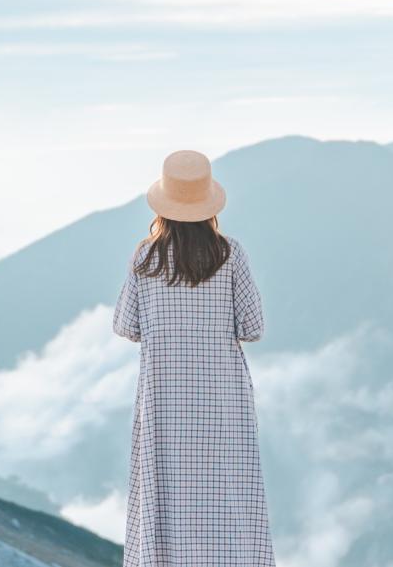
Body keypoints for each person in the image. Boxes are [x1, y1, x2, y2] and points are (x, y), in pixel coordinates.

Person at [113, 148, 275, 566]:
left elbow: (126, 326)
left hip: (164, 401)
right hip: (222, 402)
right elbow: (253, 328)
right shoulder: (230, 253)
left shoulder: (144, 256)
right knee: (227, 495)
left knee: (165, 499)